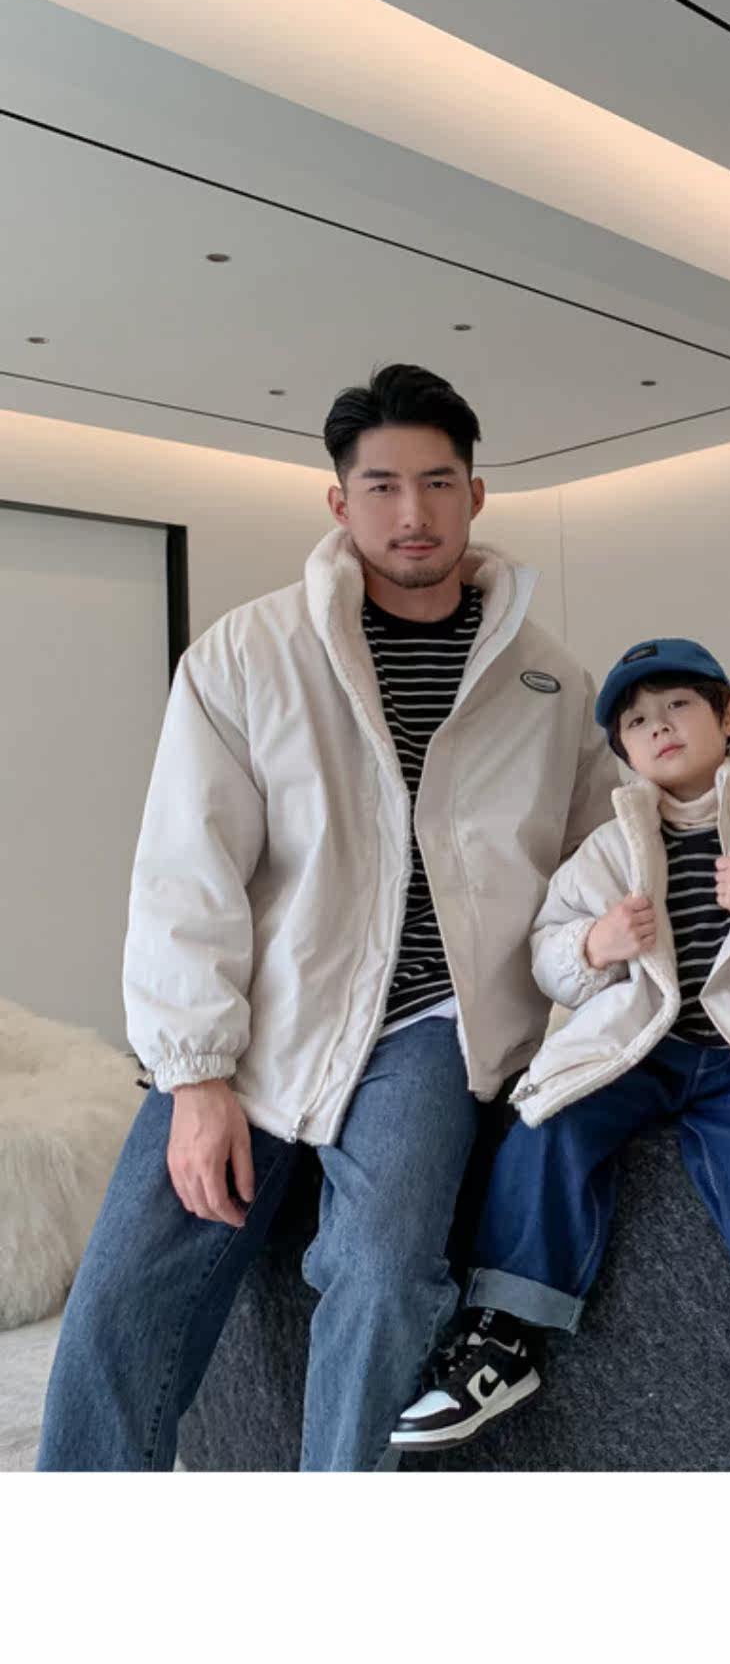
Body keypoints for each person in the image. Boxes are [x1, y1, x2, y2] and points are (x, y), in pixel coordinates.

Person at [37, 364, 617, 1471]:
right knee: (119, 1300)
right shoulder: (247, 655)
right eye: (383, 486)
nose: (413, 513)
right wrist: (195, 1075)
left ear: (476, 495)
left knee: (385, 1273)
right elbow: (186, 874)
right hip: (266, 1013)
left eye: (437, 483)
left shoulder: (548, 683)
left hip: (436, 1026)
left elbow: (597, 865)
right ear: (340, 501)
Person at [392, 639, 730, 1470]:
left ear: (729, 714)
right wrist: (596, 943)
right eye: (637, 721)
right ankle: (503, 1338)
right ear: (622, 750)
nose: (659, 727)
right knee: (548, 1122)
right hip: (642, 1046)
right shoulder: (608, 849)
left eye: (679, 705)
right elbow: (547, 956)